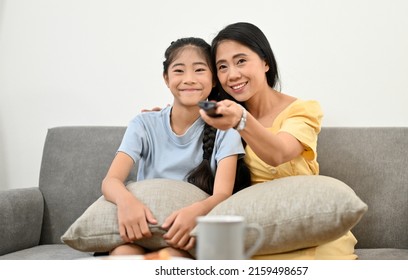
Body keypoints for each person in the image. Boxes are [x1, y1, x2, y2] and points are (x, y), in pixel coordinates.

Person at [198, 22, 358, 260]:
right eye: (222, 66)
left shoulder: (302, 110)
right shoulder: (220, 120)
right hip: (260, 231)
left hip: (310, 225)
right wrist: (161, 119)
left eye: (241, 61)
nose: (232, 75)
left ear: (265, 62)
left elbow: (280, 153)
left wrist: (242, 121)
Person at [101, 37, 249, 258]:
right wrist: (127, 203)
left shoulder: (225, 128)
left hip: (186, 235)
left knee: (169, 257)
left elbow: (222, 195)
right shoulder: (143, 124)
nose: (189, 79)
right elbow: (111, 181)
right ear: (166, 78)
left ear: (214, 79)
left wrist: (195, 213)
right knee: (123, 253)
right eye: (179, 71)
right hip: (144, 228)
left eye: (199, 70)